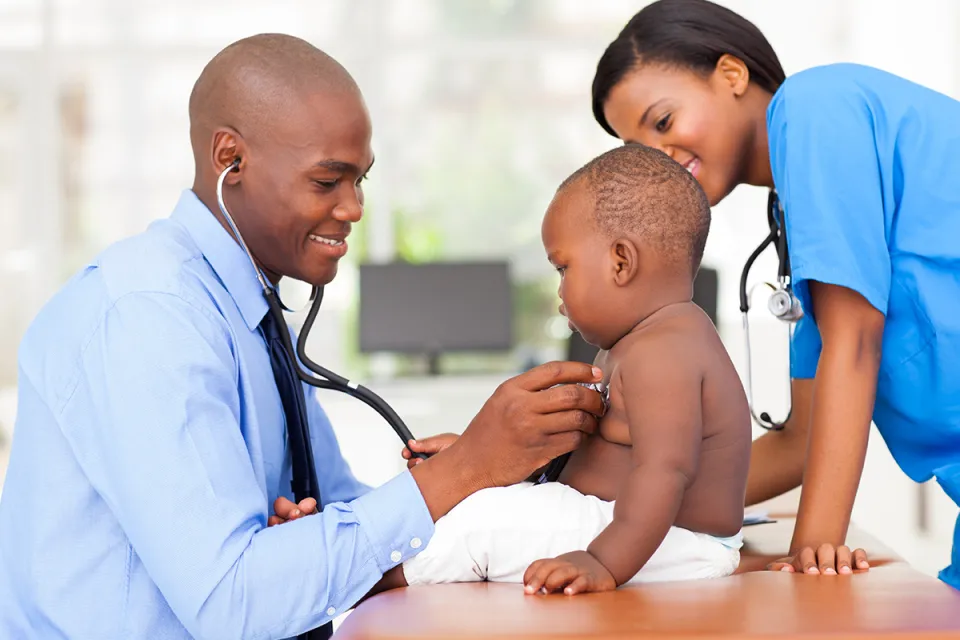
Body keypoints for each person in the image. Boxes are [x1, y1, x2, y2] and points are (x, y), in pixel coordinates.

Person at [0, 34, 607, 639]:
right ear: (229, 160)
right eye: (327, 181)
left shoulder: (254, 314)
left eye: (360, 180)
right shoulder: (148, 320)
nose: (354, 208)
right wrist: (464, 469)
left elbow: (340, 512)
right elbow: (232, 603)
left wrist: (484, 475)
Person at [589, 0, 960, 586]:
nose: (658, 159)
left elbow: (854, 340)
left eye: (663, 122)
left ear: (732, 75)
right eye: (638, 150)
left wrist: (815, 547)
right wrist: (610, 505)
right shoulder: (801, 211)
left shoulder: (815, 107)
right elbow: (800, 442)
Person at [280, 144, 752, 594]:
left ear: (621, 262)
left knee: (484, 525)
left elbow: (664, 473)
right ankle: (336, 548)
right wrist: (482, 461)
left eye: (563, 269)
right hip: (635, 529)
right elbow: (606, 459)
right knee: (478, 502)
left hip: (669, 541)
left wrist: (604, 561)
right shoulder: (638, 342)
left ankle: (349, 572)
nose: (559, 292)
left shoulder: (664, 352)